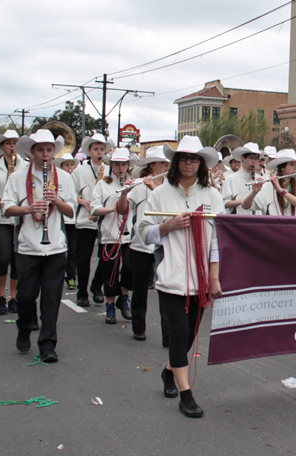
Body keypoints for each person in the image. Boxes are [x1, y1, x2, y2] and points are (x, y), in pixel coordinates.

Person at [138, 136, 225, 418]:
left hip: (201, 280)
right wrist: (168, 225)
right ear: (176, 162)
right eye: (184, 158)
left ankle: (168, 372)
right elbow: (144, 233)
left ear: (201, 164)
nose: (189, 163)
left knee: (188, 338)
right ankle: (186, 395)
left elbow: (217, 241)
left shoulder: (212, 196)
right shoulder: (160, 193)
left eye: (194, 158)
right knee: (179, 337)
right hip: (171, 278)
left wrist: (213, 278)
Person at [3, 129, 76, 363]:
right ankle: (24, 327)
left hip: (55, 248)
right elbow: (6, 208)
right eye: (40, 150)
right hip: (28, 247)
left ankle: (47, 345)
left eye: (49, 150)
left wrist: (56, 199)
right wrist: (28, 209)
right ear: (32, 152)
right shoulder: (17, 178)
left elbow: (72, 210)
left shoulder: (63, 178)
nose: (45, 154)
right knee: (25, 296)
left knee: (51, 300)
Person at [126, 147, 170, 342]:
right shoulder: (138, 186)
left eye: (168, 163)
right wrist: (123, 193)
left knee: (166, 288)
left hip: (163, 244)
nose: (166, 166)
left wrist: (155, 189)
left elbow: (169, 210)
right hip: (140, 244)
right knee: (140, 287)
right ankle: (138, 326)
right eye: (162, 163)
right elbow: (123, 210)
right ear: (152, 165)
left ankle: (168, 334)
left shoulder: (171, 186)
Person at [90, 148, 137, 324]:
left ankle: (123, 299)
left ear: (128, 165)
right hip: (109, 235)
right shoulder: (102, 184)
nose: (120, 167)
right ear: (111, 165)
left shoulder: (134, 184)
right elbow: (94, 209)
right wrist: (111, 209)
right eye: (117, 164)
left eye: (123, 164)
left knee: (130, 269)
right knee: (109, 272)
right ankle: (110, 306)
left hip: (127, 235)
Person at [73, 133, 113, 307]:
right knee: (83, 259)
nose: (98, 152)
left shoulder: (109, 170)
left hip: (106, 219)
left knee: (105, 257)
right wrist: (81, 201)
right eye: (95, 149)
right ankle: (82, 292)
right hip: (85, 220)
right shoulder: (79, 170)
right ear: (89, 151)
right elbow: (69, 194)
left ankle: (97, 287)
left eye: (101, 149)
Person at [0, 130, 26, 315]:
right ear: (2, 146)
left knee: (16, 259)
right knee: (3, 257)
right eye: (8, 143)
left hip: (18, 217)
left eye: (14, 143)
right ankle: (1, 295)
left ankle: (13, 296)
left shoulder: (24, 165)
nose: (12, 146)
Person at [242, 149, 296, 215]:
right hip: (273, 225)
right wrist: (254, 192)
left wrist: (281, 190)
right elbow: (245, 206)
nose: (295, 168)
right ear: (282, 167)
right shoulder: (267, 187)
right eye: (291, 164)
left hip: (293, 225)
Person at [54, 153, 79, 291]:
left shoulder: (74, 177)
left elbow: (75, 198)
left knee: (73, 250)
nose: (69, 167)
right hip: (59, 218)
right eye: (66, 165)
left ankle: (71, 277)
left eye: (71, 164)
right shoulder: (57, 178)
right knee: (60, 250)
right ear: (61, 166)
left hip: (71, 219)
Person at [222, 143, 264, 215]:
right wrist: (244, 201)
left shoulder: (261, 179)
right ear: (242, 158)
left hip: (257, 222)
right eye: (251, 158)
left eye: (256, 158)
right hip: (238, 222)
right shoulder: (231, 179)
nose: (253, 161)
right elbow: (224, 203)